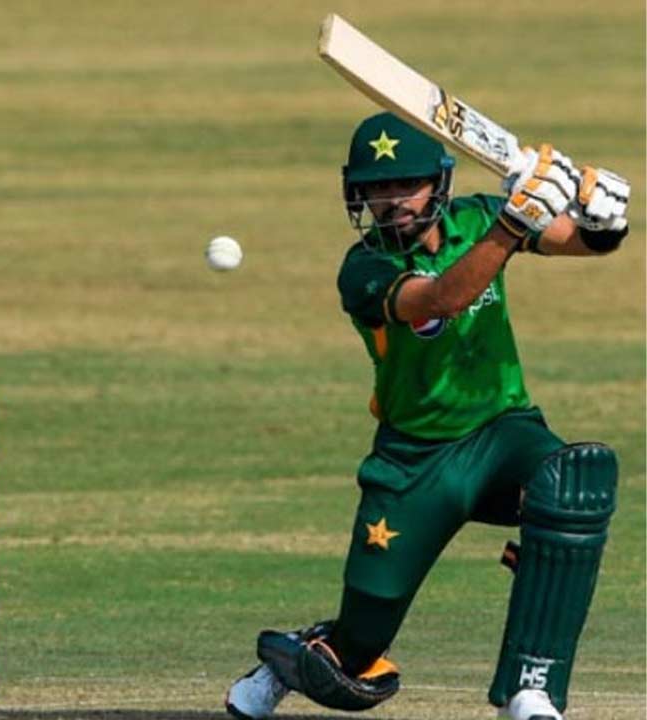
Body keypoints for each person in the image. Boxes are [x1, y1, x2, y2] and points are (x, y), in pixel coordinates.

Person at [223, 112, 630, 720]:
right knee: (354, 658)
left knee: (573, 483)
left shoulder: (478, 219)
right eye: (377, 189)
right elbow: (443, 298)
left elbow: (581, 242)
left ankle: (531, 689)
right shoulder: (363, 270)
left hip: (502, 433)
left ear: (437, 183)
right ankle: (292, 658)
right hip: (414, 463)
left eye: (406, 185)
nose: (392, 201)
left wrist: (605, 220)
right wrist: (515, 221)